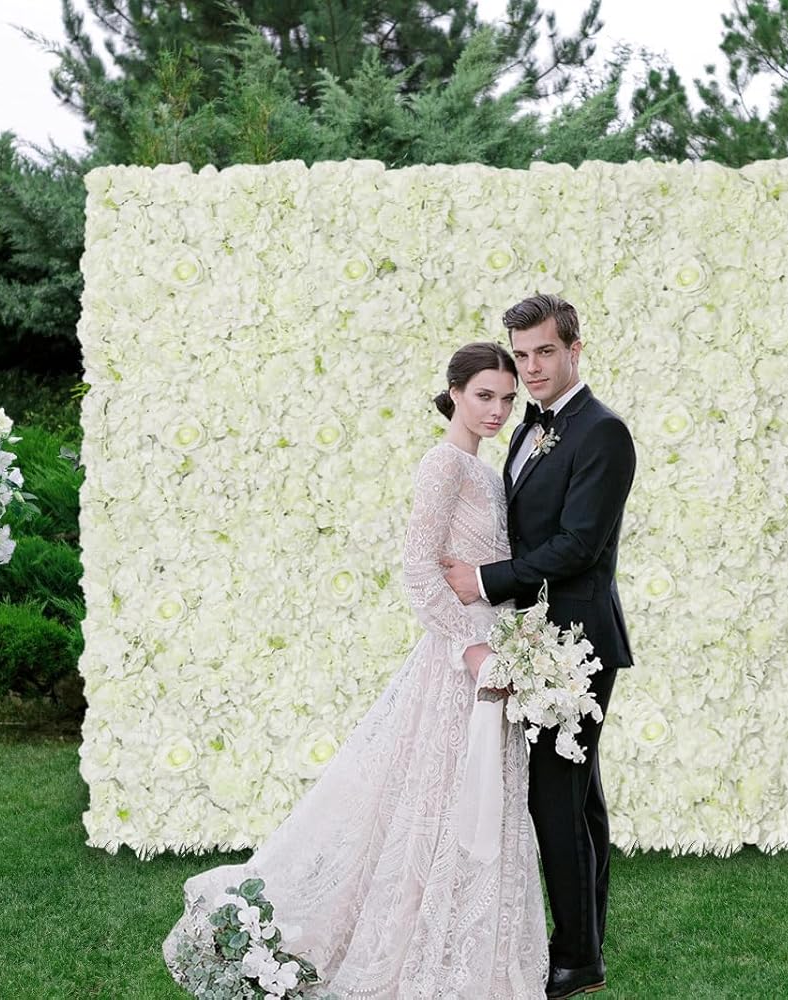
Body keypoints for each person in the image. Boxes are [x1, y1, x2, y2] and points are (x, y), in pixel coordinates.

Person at [163, 342, 548, 999]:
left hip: (496, 651)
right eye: (485, 394)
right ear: (454, 391)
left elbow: (488, 569)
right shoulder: (443, 465)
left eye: (508, 398)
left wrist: (516, 640)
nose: (497, 409)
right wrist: (472, 650)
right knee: (431, 801)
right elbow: (419, 571)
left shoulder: (486, 473)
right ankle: (335, 932)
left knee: (477, 802)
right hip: (460, 660)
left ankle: (466, 943)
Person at [442, 294, 636, 1000]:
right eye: (521, 357)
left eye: (543, 352)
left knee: (556, 800)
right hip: (537, 636)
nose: (532, 369)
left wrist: (486, 581)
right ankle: (586, 943)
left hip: (577, 642)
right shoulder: (527, 429)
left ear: (575, 349)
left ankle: (576, 957)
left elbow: (580, 544)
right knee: (577, 800)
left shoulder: (603, 432)